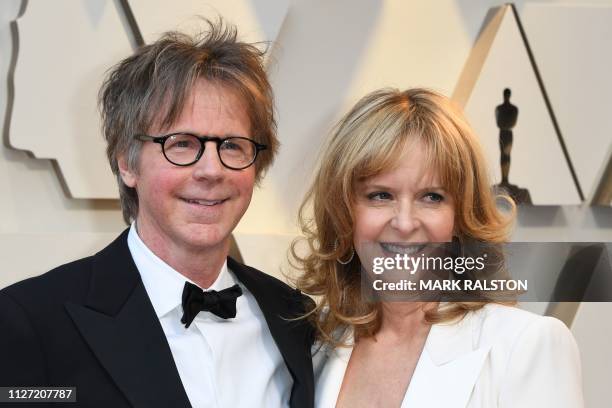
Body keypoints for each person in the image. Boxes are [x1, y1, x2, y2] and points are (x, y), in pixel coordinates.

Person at [0, 21, 314, 408]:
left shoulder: (294, 316)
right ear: (126, 164)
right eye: (181, 144)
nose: (211, 170)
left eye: (232, 146)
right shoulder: (29, 322)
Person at [292, 88, 583, 407]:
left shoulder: (525, 346)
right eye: (380, 195)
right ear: (344, 210)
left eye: (431, 197)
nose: (405, 223)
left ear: (461, 217)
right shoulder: (312, 346)